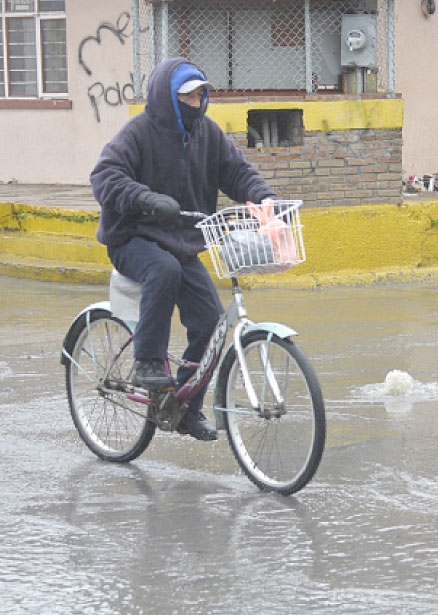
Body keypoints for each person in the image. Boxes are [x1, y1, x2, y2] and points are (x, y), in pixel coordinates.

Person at [90, 58, 277, 441]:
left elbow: (237, 172)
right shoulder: (139, 132)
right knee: (164, 270)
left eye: (200, 95)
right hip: (132, 236)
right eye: (187, 96)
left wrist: (265, 198)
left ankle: (186, 408)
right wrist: (144, 198)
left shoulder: (208, 133)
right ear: (167, 97)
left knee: (211, 322)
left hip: (181, 242)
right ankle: (146, 362)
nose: (196, 103)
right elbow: (104, 176)